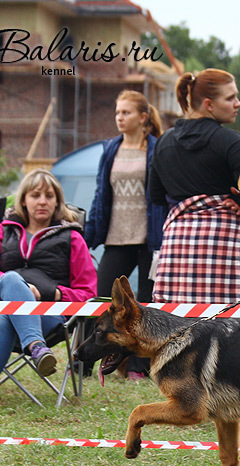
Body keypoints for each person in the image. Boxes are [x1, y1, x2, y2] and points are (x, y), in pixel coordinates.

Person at [0, 169, 97, 415]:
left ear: (57, 201)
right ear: (23, 200)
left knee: (4, 319)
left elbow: (87, 292)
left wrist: (51, 294)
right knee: (12, 279)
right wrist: (18, 289)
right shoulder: (2, 230)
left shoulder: (72, 238)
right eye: (35, 195)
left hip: (46, 317)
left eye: (49, 195)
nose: (42, 201)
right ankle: (36, 347)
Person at [149, 68, 240, 305]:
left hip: (180, 245)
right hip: (224, 243)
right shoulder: (225, 139)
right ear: (208, 104)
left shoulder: (164, 142)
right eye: (230, 98)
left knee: (179, 322)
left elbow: (155, 195)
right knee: (235, 325)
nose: (238, 103)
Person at [84, 89, 166, 381]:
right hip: (117, 237)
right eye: (117, 112)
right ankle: (83, 363)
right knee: (99, 300)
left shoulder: (158, 148)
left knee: (145, 305)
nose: (120, 117)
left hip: (149, 240)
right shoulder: (110, 149)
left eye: (126, 112)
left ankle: (137, 368)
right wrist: (90, 232)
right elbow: (100, 193)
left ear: (143, 118)